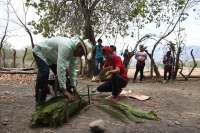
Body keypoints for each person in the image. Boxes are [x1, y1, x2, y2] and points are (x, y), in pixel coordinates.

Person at [33, 37, 93, 102]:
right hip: (41, 52)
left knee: (64, 77)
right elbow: (61, 68)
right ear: (78, 47)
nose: (81, 56)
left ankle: (70, 98)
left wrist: (74, 87)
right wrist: (64, 90)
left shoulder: (74, 54)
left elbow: (72, 71)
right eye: (82, 54)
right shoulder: (66, 46)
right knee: (45, 72)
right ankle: (39, 101)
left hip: (52, 58)